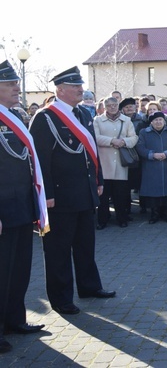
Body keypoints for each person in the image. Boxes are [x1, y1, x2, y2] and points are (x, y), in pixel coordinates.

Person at [29, 66, 115, 316]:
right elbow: (40, 159)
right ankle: (60, 298)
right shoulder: (45, 118)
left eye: (81, 85)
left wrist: (97, 180)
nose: (81, 89)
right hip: (60, 195)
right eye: (75, 86)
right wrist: (46, 195)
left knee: (85, 244)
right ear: (60, 90)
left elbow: (92, 151)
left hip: (85, 192)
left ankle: (89, 287)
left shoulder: (85, 114)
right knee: (58, 249)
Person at [0, 60, 48, 352]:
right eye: (10, 85)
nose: (18, 88)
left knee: (18, 269)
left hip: (21, 206)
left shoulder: (14, 116)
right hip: (3, 211)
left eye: (16, 84)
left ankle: (14, 320)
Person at [93, 97, 138, 229]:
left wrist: (124, 142)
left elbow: (134, 137)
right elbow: (94, 137)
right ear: (105, 107)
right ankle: (103, 219)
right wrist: (112, 141)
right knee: (103, 195)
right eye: (109, 105)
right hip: (104, 162)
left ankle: (121, 218)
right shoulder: (97, 120)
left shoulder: (127, 120)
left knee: (121, 194)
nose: (112, 107)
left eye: (115, 105)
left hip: (120, 162)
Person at [136, 112, 167, 224]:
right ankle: (154, 214)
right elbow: (140, 147)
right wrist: (152, 154)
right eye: (156, 120)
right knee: (153, 192)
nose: (158, 122)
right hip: (151, 166)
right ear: (151, 122)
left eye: (160, 119)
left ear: (164, 121)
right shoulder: (144, 133)